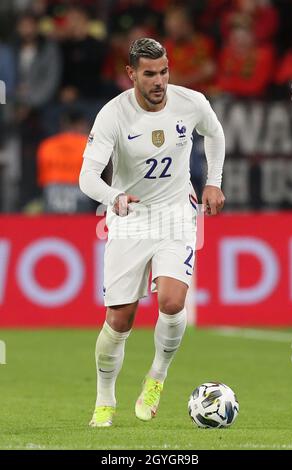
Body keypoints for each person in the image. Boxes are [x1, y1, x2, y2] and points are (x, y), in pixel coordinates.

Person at [79, 38, 225, 427]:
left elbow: (215, 133)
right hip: (131, 218)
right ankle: (105, 399)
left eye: (164, 71)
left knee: (174, 302)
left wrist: (213, 181)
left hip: (177, 212)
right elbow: (87, 177)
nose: (159, 80)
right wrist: (114, 197)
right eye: (149, 73)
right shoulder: (113, 115)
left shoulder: (190, 102)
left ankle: (156, 378)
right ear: (131, 74)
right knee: (120, 320)